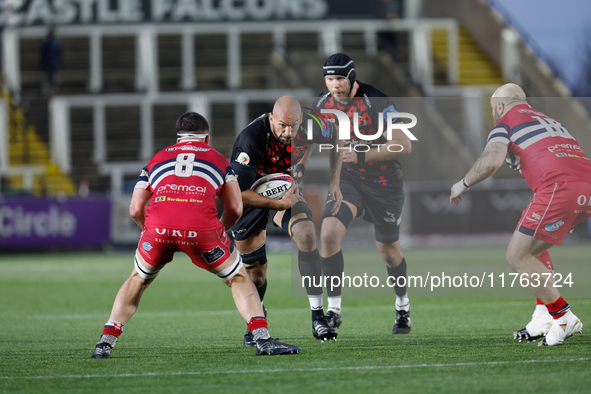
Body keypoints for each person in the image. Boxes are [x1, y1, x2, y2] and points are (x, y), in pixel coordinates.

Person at [91, 112, 300, 358]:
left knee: (137, 278)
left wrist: (152, 231)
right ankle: (262, 339)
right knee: (238, 278)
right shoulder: (219, 160)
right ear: (207, 138)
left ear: (178, 138)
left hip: (157, 229)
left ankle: (106, 342)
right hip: (202, 229)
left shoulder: (156, 159)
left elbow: (135, 209)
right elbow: (235, 208)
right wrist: (220, 230)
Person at [450, 83, 591, 346]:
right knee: (531, 243)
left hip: (558, 187)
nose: (493, 114)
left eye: (493, 109)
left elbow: (490, 162)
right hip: (584, 185)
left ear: (500, 106)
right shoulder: (550, 120)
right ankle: (542, 315)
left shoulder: (506, 122)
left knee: (517, 255)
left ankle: (563, 316)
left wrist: (462, 184)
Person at [312, 53, 413, 335]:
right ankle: (333, 310)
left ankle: (402, 306)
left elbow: (403, 145)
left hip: (385, 185)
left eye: (340, 79)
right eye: (329, 79)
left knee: (389, 253)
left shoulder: (378, 101)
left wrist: (360, 154)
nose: (334, 85)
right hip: (349, 182)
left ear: (353, 78)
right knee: (329, 233)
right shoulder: (322, 103)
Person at [230, 96, 343, 343]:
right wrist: (279, 204)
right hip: (250, 194)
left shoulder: (314, 123)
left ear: (302, 120)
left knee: (306, 234)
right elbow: (238, 193)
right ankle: (256, 320)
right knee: (256, 275)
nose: (288, 132)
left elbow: (336, 138)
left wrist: (334, 181)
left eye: (293, 126)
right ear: (271, 118)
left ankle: (318, 317)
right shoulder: (251, 139)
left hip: (283, 188)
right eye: (282, 125)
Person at [40, 28, 62, 95]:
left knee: (50, 75)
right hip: (54, 62)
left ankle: (51, 87)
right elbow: (59, 53)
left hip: (49, 62)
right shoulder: (57, 42)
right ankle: (53, 87)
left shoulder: (47, 42)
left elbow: (43, 53)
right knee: (53, 75)